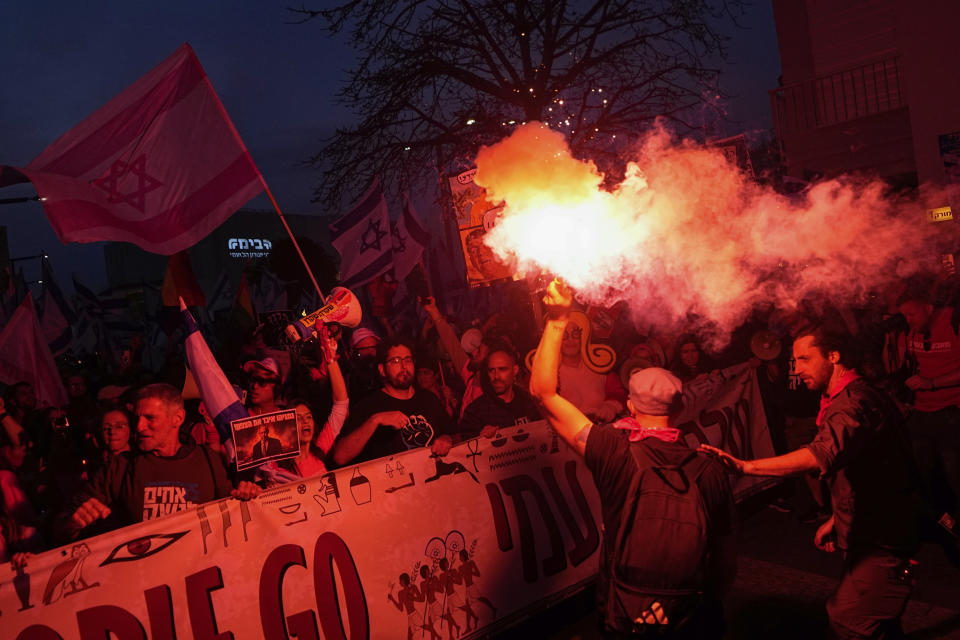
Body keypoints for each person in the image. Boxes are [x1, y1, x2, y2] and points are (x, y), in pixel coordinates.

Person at [529, 280, 736, 639]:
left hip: (625, 610)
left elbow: (543, 393)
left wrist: (558, 317)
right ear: (682, 408)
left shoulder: (612, 449)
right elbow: (725, 559)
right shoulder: (710, 468)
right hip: (693, 615)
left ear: (629, 405)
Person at [700, 324, 918, 640]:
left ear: (833, 356)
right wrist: (837, 517)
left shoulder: (854, 404)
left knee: (846, 622)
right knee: (877, 622)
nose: (796, 368)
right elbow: (871, 467)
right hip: (866, 528)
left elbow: (819, 455)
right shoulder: (847, 397)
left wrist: (746, 466)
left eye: (804, 359)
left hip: (885, 539)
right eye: (795, 360)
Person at [60, 383, 260, 539]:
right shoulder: (121, 466)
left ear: (177, 418)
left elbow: (234, 517)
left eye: (150, 418)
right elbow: (62, 523)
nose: (139, 427)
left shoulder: (208, 460)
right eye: (137, 418)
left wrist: (248, 495)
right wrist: (73, 524)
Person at [332, 337, 452, 466]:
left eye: (408, 360)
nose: (404, 366)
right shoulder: (368, 406)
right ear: (382, 370)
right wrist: (375, 420)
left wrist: (447, 439)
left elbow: (456, 435)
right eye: (396, 361)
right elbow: (340, 456)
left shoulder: (429, 399)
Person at [898, 292, 960, 543]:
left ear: (929, 308)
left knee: (955, 475)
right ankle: (933, 524)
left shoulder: (953, 321)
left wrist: (932, 383)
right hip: (922, 413)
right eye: (904, 315)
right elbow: (910, 368)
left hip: (951, 413)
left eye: (912, 314)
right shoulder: (911, 332)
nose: (908, 320)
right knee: (919, 473)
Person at [457, 345, 541, 440]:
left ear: (515, 371)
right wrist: (480, 438)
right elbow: (464, 445)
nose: (496, 376)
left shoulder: (529, 403)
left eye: (502, 369)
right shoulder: (476, 411)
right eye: (491, 370)